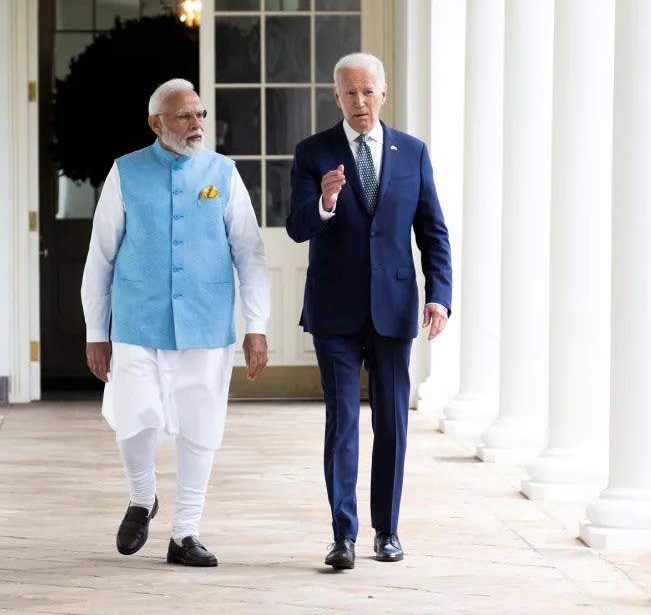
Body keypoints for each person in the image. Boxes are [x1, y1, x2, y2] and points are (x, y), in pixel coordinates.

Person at [81, 78, 270, 567]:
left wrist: (257, 324)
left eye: (200, 114)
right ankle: (143, 497)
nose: (196, 125)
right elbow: (100, 257)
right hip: (137, 321)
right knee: (133, 416)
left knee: (200, 427)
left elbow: (249, 252)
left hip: (206, 322)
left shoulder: (222, 172)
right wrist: (95, 333)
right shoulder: (125, 172)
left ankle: (185, 533)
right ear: (156, 123)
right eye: (184, 116)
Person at [286, 52, 453, 569]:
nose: (359, 102)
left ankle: (388, 531)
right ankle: (343, 536)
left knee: (392, 424)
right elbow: (296, 226)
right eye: (348, 93)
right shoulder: (313, 153)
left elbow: (433, 232)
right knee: (342, 423)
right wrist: (325, 203)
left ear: (383, 93)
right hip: (334, 310)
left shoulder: (413, 152)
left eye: (367, 91)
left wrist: (439, 295)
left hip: (396, 308)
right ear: (336, 97)